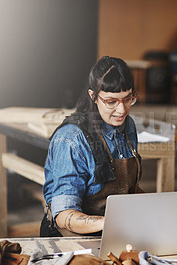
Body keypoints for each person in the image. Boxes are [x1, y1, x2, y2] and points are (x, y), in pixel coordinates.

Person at [40, 56, 142, 237]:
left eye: (128, 99)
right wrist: (110, 222)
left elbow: (129, 189)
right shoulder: (71, 139)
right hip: (70, 235)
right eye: (111, 102)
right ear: (93, 96)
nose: (122, 110)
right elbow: (63, 215)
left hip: (114, 230)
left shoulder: (128, 126)